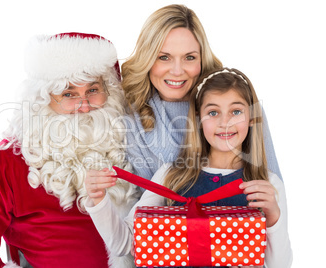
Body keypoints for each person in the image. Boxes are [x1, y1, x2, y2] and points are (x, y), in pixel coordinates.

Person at [0, 32, 140, 268]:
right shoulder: (9, 161)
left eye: (93, 90)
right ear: (42, 100)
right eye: (68, 94)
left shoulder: (133, 144)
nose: (84, 106)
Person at [85, 68, 293, 268]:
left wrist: (273, 216)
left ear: (252, 119)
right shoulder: (170, 176)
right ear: (198, 120)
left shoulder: (266, 184)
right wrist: (97, 199)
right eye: (213, 112)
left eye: (236, 111)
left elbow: (280, 265)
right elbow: (126, 243)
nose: (224, 122)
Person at [121, 4, 282, 181]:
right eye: (164, 57)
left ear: (202, 59)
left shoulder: (239, 105)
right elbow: (138, 204)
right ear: (147, 59)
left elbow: (272, 188)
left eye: (189, 57)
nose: (177, 71)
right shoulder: (132, 118)